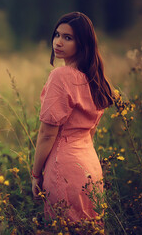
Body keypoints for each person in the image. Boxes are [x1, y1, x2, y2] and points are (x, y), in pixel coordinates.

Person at [31, 12, 113, 222]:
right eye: (57, 34)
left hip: (64, 167)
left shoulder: (61, 76)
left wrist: (36, 174)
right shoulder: (95, 79)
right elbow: (90, 131)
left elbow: (47, 134)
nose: (58, 42)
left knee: (63, 227)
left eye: (68, 38)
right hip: (90, 167)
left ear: (83, 43)